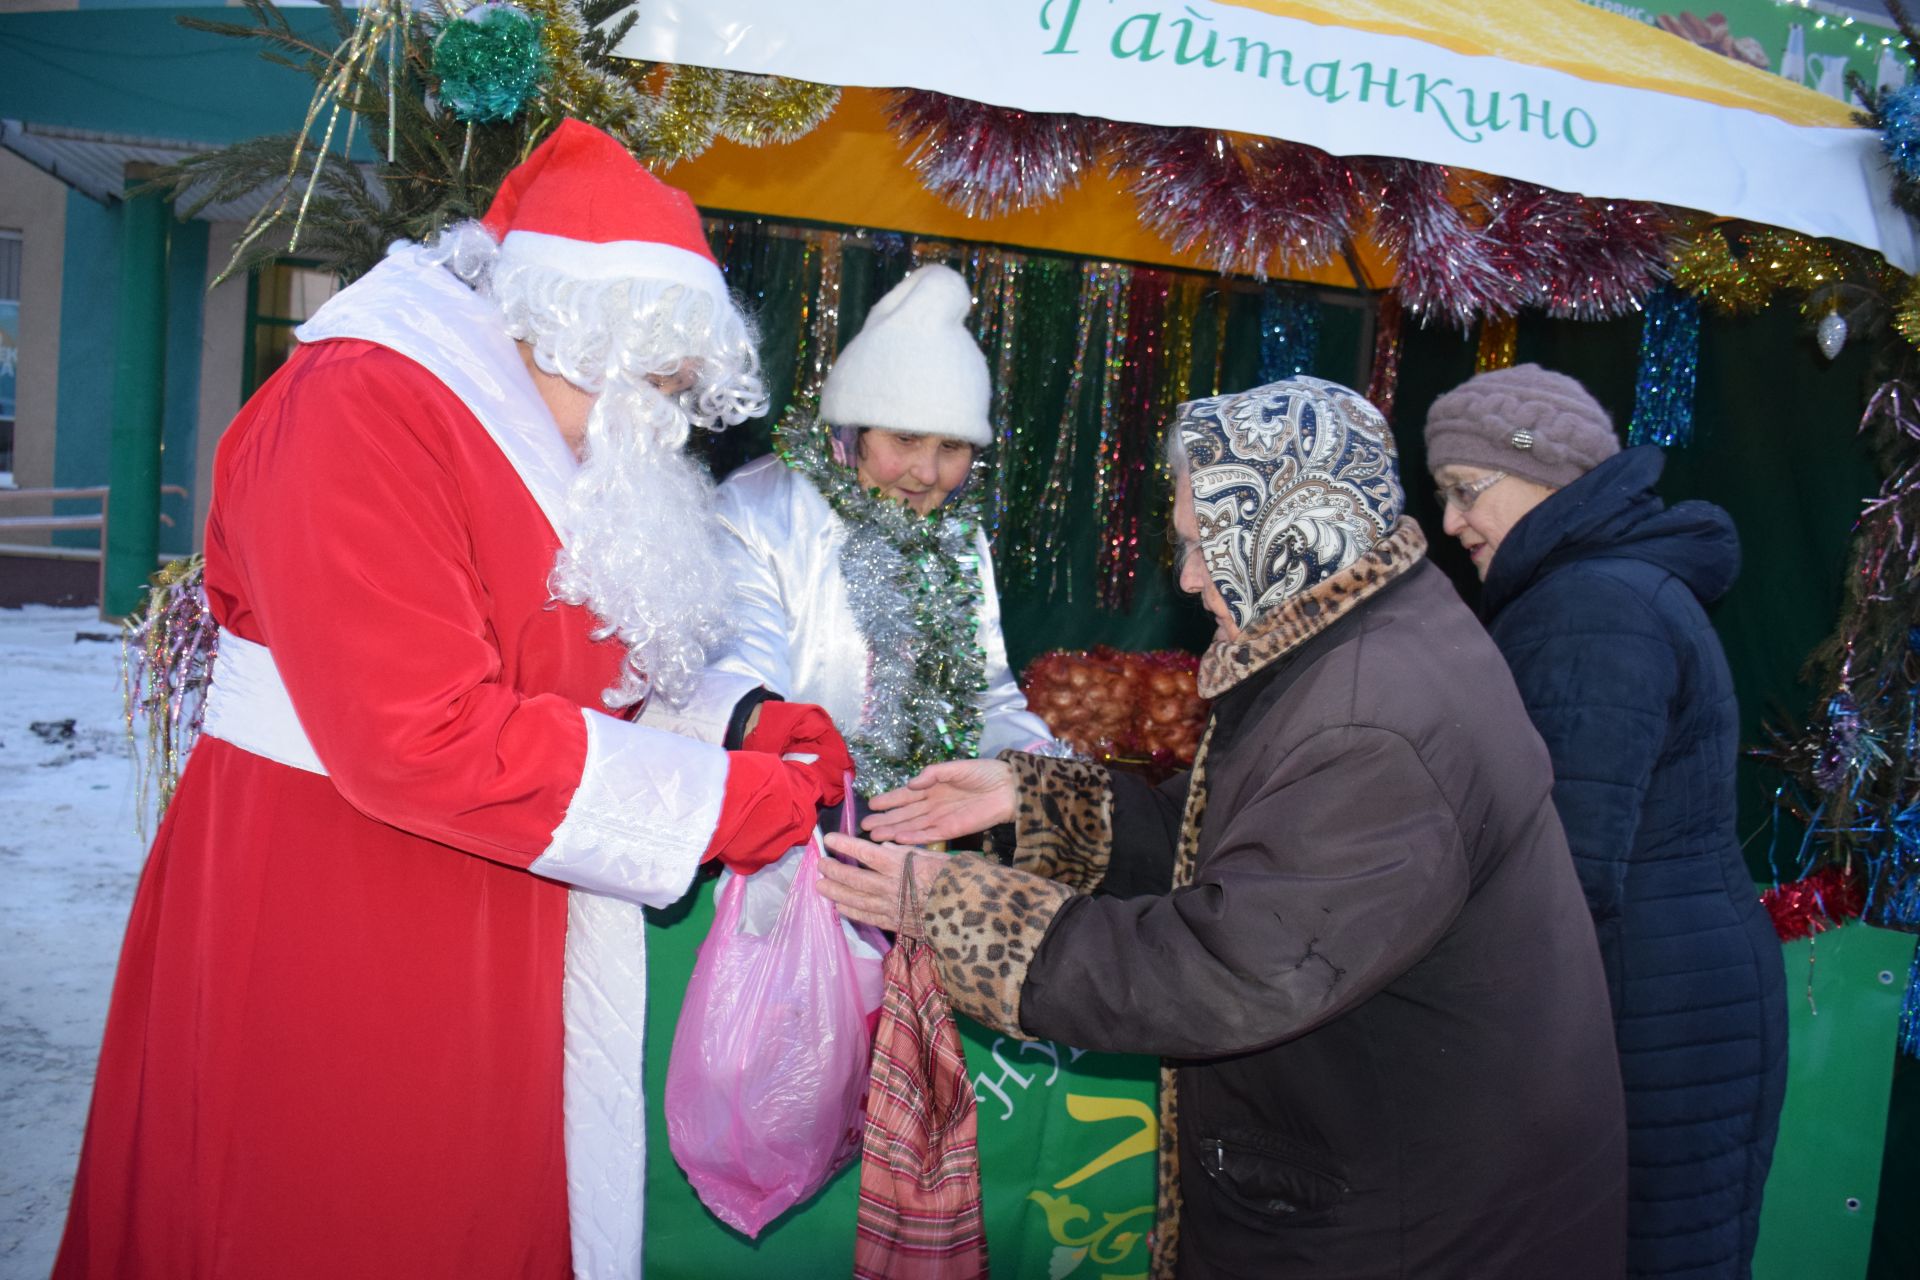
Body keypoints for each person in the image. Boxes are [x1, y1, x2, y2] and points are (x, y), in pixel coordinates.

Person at [53, 120, 851, 1280]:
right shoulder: (362, 404)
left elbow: (578, 657)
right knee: (333, 1212)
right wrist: (729, 800)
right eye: (660, 387)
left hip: (487, 898)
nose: (668, 426)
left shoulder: (540, 430)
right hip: (333, 907)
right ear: (578, 333)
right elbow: (418, 732)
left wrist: (740, 718)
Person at [820, 377, 1628, 1279]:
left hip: (1411, 1226)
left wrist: (963, 911)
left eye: (1206, 544)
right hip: (1388, 1175)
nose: (1189, 577)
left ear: (1290, 529)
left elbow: (1236, 965)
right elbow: (1248, 852)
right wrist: (1035, 801)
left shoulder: (1375, 716)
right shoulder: (1351, 631)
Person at [1423, 363, 1787, 1279]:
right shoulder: (1604, 589)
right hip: (1667, 997)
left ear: (1546, 477)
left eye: (1467, 491)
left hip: (1649, 1016)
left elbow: (1559, 873)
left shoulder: (1591, 608)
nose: (1451, 523)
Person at [692, 263, 1059, 798]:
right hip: (779, 831)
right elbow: (743, 685)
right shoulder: (760, 510)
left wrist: (1042, 775)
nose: (928, 472)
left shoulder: (957, 535)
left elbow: (988, 699)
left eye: (951, 448)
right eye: (906, 439)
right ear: (851, 429)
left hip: (915, 842)